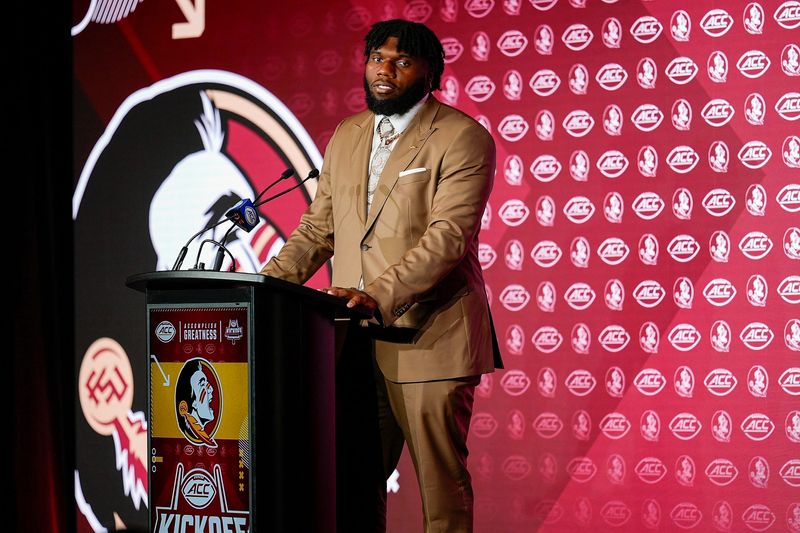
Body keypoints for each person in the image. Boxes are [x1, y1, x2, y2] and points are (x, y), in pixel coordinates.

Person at [260, 19, 502, 533]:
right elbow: (317, 230)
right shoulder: (348, 135)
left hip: (432, 338)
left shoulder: (462, 137)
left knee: (441, 490)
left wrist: (374, 295)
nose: (384, 70)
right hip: (352, 341)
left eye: (401, 61)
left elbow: (448, 238)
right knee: (350, 480)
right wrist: (264, 289)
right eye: (376, 58)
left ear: (429, 73)